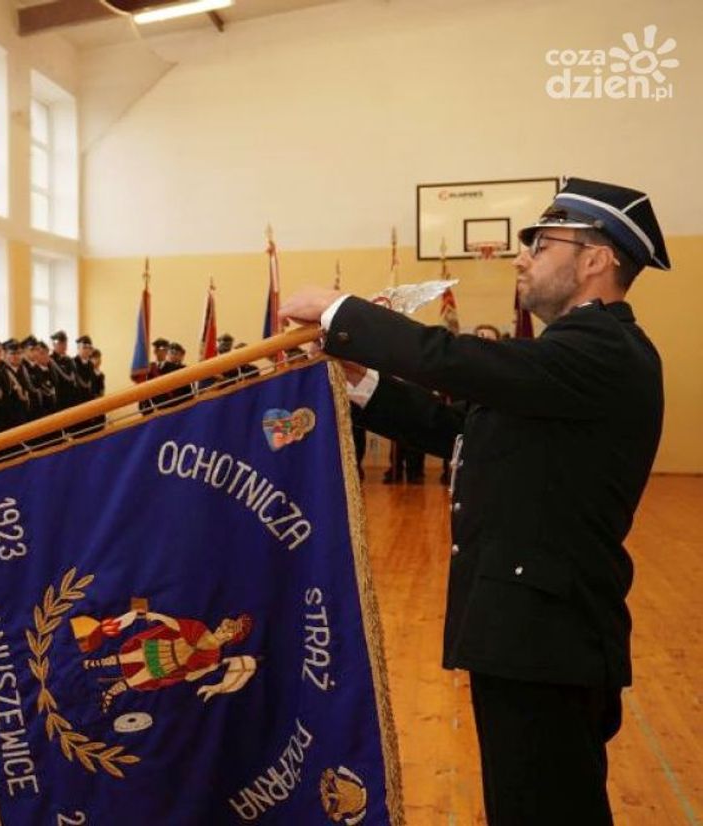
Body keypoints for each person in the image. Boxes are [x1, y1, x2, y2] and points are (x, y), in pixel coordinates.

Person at [280, 177, 667, 825]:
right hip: (526, 634)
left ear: (596, 259)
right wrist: (362, 381)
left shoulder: (606, 349)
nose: (521, 257)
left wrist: (341, 313)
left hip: (547, 638)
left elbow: (458, 362)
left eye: (541, 244)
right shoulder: (571, 358)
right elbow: (464, 431)